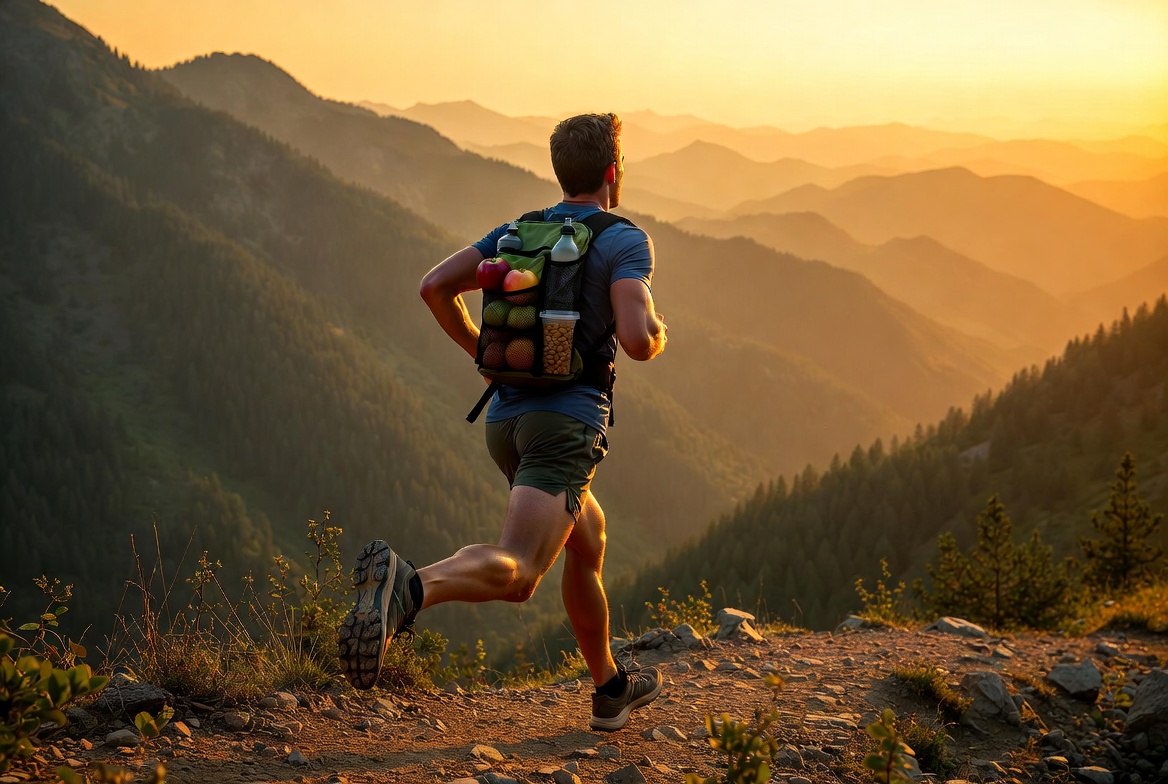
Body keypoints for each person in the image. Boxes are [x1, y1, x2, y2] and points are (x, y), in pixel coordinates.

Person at [337, 112, 668, 731]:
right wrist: (655, 335)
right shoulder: (625, 240)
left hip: (506, 424)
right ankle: (410, 589)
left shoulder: (519, 231)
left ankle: (610, 687)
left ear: (559, 170)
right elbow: (635, 335)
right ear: (612, 173)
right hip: (565, 425)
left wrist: (483, 361)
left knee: (587, 537)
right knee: (519, 570)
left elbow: (435, 287)